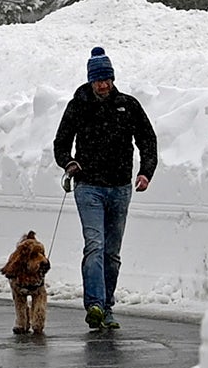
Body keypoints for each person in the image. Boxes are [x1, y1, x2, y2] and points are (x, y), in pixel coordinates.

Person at [52, 46, 158, 331]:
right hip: (89, 188)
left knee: (112, 252)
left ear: (112, 78)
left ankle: (107, 307)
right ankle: (95, 305)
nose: (103, 84)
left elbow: (147, 140)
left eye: (107, 78)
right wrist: (69, 162)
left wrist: (146, 172)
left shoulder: (128, 105)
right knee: (95, 246)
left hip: (121, 187)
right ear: (90, 80)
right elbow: (61, 144)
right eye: (98, 79)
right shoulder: (78, 105)